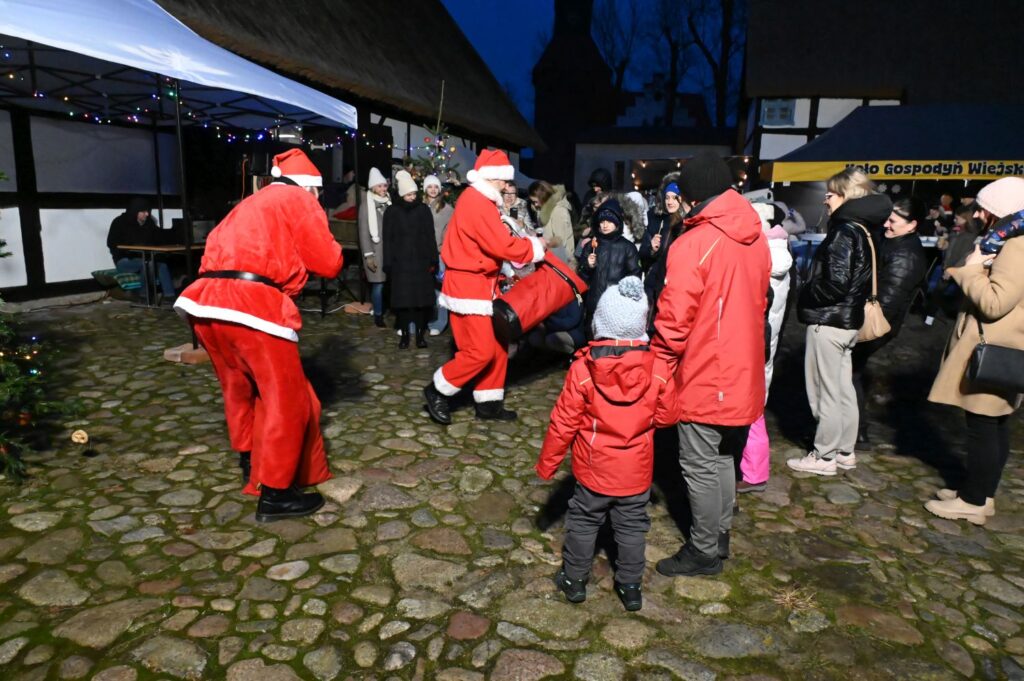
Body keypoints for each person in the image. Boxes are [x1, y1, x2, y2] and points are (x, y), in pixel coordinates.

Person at [174, 149, 342, 522]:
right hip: (254, 305)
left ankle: (250, 463)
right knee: (288, 400)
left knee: (239, 389)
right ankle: (277, 494)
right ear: (312, 188)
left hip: (207, 303)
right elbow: (328, 262)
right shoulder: (299, 198)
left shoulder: (251, 203)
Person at [651, 150, 770, 577]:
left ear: (690, 196)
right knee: (722, 454)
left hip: (708, 367)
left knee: (698, 460)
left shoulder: (694, 243)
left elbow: (673, 317)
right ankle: (718, 535)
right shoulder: (754, 235)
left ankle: (703, 551)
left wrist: (660, 364)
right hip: (743, 365)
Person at [536, 277, 675, 611]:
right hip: (636, 472)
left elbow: (564, 421)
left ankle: (574, 580)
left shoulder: (584, 368)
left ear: (598, 322)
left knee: (584, 523)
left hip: (593, 469)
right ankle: (630, 587)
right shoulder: (658, 368)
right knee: (631, 527)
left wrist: (548, 464)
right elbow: (670, 415)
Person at [925, 177, 1024, 524]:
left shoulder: (1017, 246)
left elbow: (996, 302)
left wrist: (969, 271)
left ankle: (974, 500)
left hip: (996, 348)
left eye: (987, 208)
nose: (980, 214)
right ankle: (982, 492)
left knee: (983, 426)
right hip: (1005, 347)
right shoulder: (1013, 241)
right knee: (993, 423)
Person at [422, 149, 546, 425]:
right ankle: (438, 390)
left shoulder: (481, 200)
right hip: (469, 286)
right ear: (492, 178)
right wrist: (534, 249)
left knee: (498, 345)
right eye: (503, 180)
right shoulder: (477, 202)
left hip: (481, 285)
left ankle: (488, 403)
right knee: (478, 351)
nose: (506, 185)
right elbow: (501, 244)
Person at [787, 168, 890, 476]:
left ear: (847, 196)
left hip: (830, 321)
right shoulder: (867, 229)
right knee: (843, 388)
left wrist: (806, 291)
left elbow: (836, 283)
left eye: (830, 194)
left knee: (826, 392)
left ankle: (824, 455)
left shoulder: (845, 230)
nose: (826, 200)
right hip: (849, 321)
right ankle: (845, 450)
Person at [852, 197, 928, 446]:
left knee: (849, 372)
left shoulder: (907, 254)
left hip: (877, 324)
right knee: (851, 372)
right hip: (876, 321)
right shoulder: (896, 242)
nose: (886, 224)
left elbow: (887, 302)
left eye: (893, 221)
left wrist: (858, 327)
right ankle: (854, 430)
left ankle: (855, 431)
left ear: (912, 225)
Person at [738, 202, 794, 492]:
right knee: (754, 408)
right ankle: (752, 469)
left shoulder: (767, 259)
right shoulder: (779, 254)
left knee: (752, 411)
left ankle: (754, 473)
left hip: (757, 346)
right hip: (764, 345)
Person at [384, 171, 438, 349]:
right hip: (401, 264)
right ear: (401, 194)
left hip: (421, 263)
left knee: (422, 303)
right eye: (409, 194)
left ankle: (421, 336)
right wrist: (388, 262)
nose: (412, 197)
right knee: (403, 303)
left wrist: (433, 260)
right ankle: (405, 336)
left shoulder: (423, 210)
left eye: (414, 194)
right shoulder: (392, 211)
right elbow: (388, 238)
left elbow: (430, 236)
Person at [577, 199, 642, 336]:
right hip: (593, 305)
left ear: (617, 223)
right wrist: (588, 266)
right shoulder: (591, 245)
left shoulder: (627, 248)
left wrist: (624, 301)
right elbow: (581, 277)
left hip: (616, 306)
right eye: (602, 221)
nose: (605, 225)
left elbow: (635, 277)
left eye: (609, 221)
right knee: (591, 340)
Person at [106, 198, 176, 301]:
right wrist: (130, 248)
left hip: (144, 257)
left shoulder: (149, 223)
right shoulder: (119, 222)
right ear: (135, 211)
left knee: (161, 264)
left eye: (147, 211)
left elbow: (159, 236)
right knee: (147, 264)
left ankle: (169, 296)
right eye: (143, 212)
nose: (147, 214)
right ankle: (144, 296)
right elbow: (111, 243)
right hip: (124, 260)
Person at [639, 173, 685, 311]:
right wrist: (651, 248)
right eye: (667, 197)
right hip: (654, 281)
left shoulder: (687, 223)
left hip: (675, 283)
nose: (670, 202)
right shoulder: (656, 219)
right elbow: (642, 253)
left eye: (674, 198)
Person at [358, 167, 391, 327]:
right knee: (378, 285)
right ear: (373, 187)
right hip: (375, 251)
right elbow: (363, 232)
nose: (383, 189)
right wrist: (368, 255)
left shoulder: (389, 202)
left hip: (390, 251)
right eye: (379, 186)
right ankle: (378, 314)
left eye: (384, 185)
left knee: (388, 284)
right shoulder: (366, 204)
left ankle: (386, 309)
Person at [424, 175, 454, 336]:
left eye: (435, 187)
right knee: (423, 288)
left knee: (441, 289)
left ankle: (440, 322)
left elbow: (449, 233)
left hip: (439, 254)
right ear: (425, 189)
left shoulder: (447, 209)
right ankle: (424, 320)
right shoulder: (420, 206)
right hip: (421, 254)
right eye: (430, 187)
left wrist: (442, 249)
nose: (433, 190)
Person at [528, 180, 575, 265]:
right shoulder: (543, 210)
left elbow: (560, 242)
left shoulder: (558, 211)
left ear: (543, 197)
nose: (535, 205)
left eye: (535, 201)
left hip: (561, 263)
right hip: (550, 258)